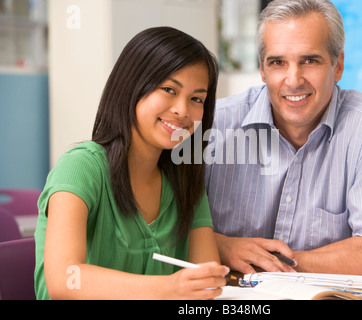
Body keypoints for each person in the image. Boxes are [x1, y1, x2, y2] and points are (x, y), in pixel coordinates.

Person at [205, 0, 362, 277]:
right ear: (262, 69)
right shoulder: (213, 126)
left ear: (338, 65)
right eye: (277, 63)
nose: (294, 80)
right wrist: (221, 245)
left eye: (309, 60)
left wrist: (274, 263)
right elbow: (159, 232)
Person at [34, 26, 229, 300]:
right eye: (169, 89)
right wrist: (170, 289)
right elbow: (66, 279)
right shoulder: (80, 167)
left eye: (197, 99)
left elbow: (206, 285)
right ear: (132, 86)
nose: (183, 110)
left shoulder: (186, 181)